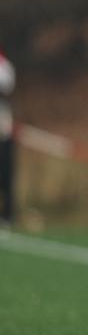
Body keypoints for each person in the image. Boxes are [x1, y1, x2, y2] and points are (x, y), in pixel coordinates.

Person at [0, 49, 14, 226]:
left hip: (3, 132)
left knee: (5, 175)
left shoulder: (3, 64)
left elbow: (8, 83)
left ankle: (7, 215)